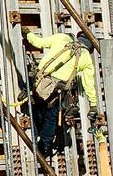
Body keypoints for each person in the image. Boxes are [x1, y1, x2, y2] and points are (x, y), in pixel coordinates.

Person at [24, 29, 98, 159]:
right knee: (51, 119)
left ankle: (34, 136)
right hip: (56, 92)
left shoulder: (61, 38)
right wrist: (93, 105)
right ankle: (42, 149)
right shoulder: (85, 57)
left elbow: (38, 43)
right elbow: (89, 85)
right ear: (90, 46)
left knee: (35, 110)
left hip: (40, 84)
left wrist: (27, 33)